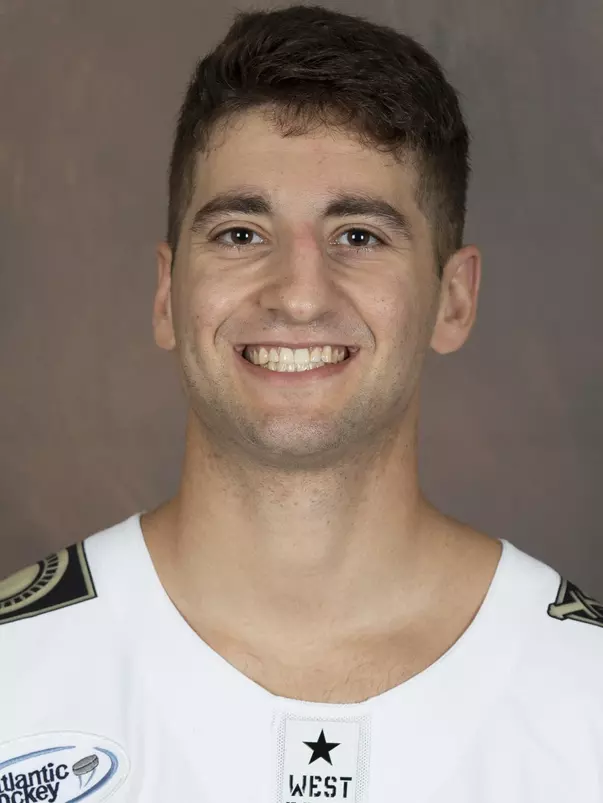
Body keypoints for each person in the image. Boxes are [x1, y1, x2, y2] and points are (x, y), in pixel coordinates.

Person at [1, 4, 602, 801]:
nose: (296, 294)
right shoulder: (18, 675)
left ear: (453, 300)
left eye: (358, 234)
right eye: (241, 233)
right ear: (165, 292)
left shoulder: (582, 691)